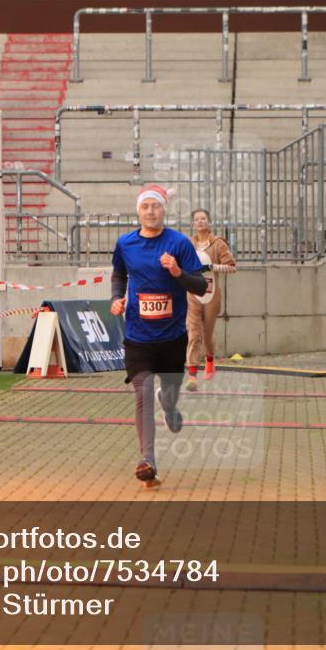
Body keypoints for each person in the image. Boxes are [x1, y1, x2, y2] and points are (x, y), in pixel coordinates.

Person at [111, 184, 207, 488]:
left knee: (169, 390)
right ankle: (148, 460)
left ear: (164, 210)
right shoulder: (125, 244)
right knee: (143, 392)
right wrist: (116, 298)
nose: (150, 211)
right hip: (138, 336)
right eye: (145, 206)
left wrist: (178, 272)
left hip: (172, 337)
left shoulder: (179, 243)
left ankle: (169, 405)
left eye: (155, 206)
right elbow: (119, 275)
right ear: (138, 211)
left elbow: (201, 286)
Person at [184, 208, 236, 392]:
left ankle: (210, 359)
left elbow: (232, 267)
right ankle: (192, 375)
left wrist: (211, 267)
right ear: (193, 223)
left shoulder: (218, 244)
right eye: (197, 219)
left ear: (209, 222)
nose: (200, 221)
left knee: (207, 334)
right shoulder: (188, 244)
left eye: (203, 218)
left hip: (211, 295)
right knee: (193, 333)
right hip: (193, 295)